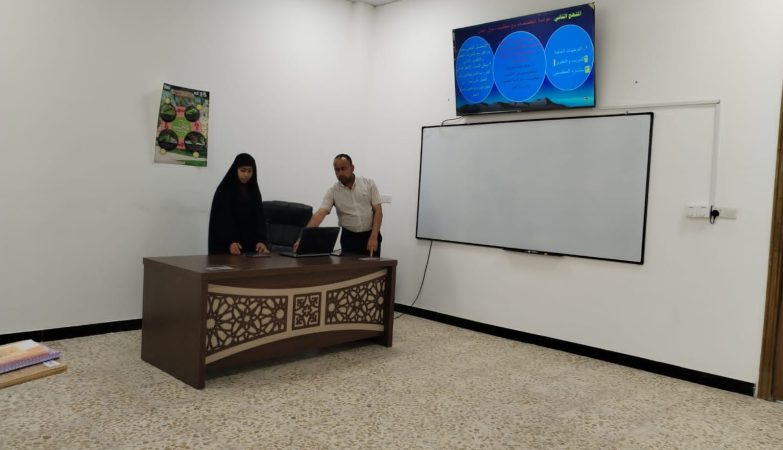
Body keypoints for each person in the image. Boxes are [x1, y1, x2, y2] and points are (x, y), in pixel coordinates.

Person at [296, 154, 383, 256]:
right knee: (349, 266)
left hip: (371, 235)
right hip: (349, 238)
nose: (340, 173)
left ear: (352, 168)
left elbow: (378, 211)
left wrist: (374, 236)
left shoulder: (368, 184)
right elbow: (320, 214)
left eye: (343, 168)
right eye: (337, 170)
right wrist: (302, 239)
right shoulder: (333, 191)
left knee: (373, 266)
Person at [208, 153, 270, 255]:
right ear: (235, 170)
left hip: (250, 247)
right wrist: (230, 242)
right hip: (227, 247)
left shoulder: (254, 191)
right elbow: (221, 220)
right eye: (243, 170)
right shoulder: (224, 190)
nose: (246, 174)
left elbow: (259, 218)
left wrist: (261, 241)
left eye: (249, 171)